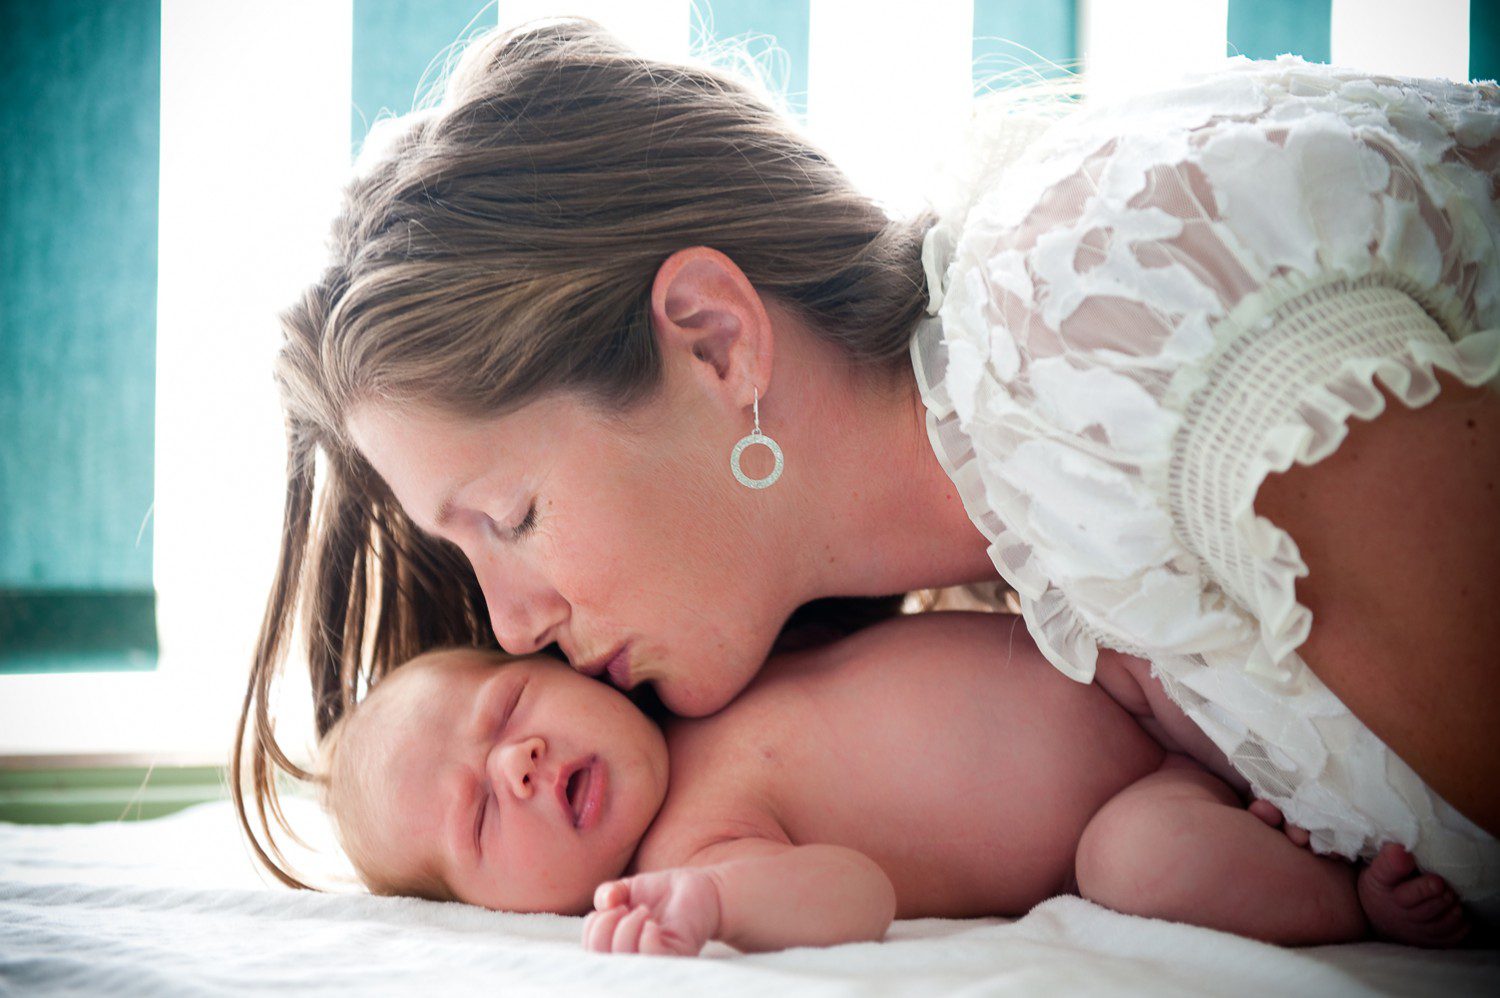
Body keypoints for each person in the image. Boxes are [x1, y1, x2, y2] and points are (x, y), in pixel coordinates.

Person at [232, 18, 1500, 911]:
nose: (514, 626)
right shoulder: (1008, 572)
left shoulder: (1112, 317)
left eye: (510, 514)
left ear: (716, 342)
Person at [319, 612, 1467, 951]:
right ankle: (1347, 899)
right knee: (1145, 865)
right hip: (1128, 803)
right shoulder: (689, 851)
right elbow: (854, 893)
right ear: (494, 906)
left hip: (1111, 663)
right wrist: (712, 904)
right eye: (482, 812)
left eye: (509, 710)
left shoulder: (691, 668)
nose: (516, 761)